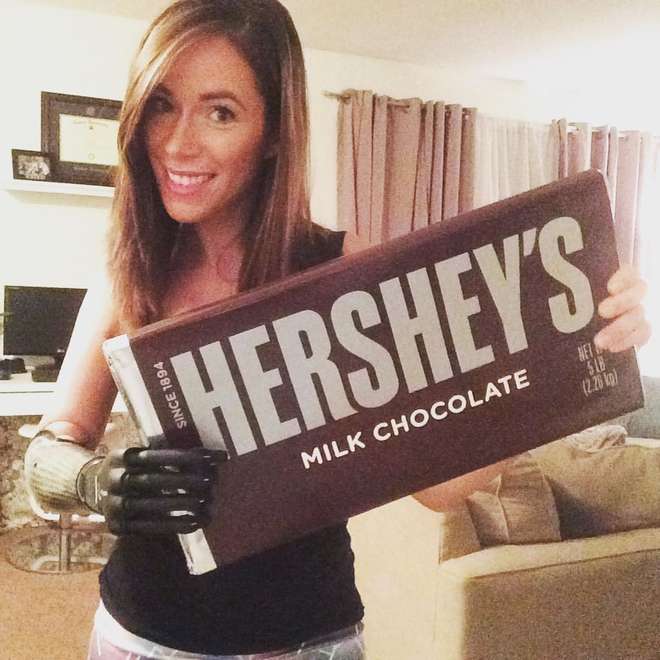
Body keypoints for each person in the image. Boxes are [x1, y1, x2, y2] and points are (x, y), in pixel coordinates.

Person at [22, 1, 651, 658]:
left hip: (307, 641)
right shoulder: (132, 269)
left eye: (220, 112)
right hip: (144, 638)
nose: (179, 143)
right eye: (161, 105)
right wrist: (95, 480)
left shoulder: (345, 271)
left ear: (273, 131)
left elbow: (438, 488)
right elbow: (49, 448)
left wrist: (571, 353)